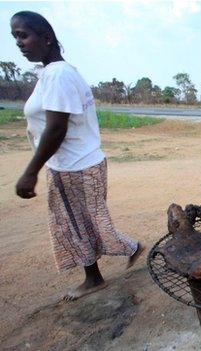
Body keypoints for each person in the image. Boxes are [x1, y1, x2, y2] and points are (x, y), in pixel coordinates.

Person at [11, 11, 144, 301]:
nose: (19, 43)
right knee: (74, 222)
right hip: (67, 165)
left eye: (24, 35)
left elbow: (56, 128)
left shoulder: (59, 74)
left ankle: (128, 250)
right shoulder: (49, 73)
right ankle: (94, 276)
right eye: (15, 37)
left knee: (89, 222)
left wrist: (31, 171)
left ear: (46, 37)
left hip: (78, 167)